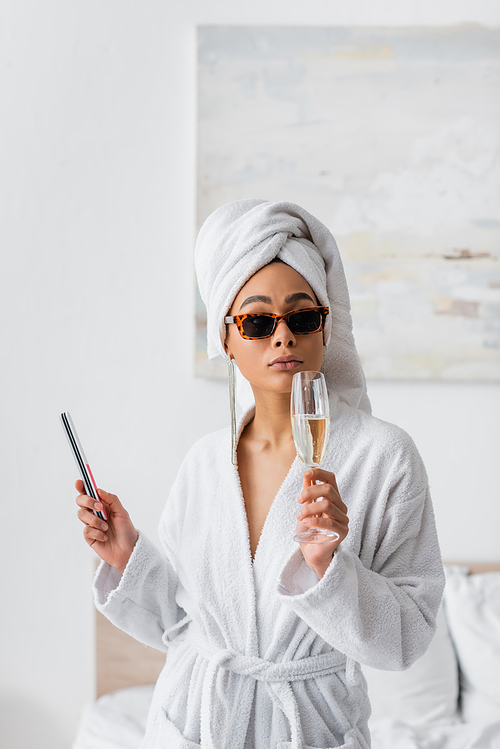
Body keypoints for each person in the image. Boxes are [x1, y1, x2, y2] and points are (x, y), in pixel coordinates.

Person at [76, 199, 445, 749]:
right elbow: (181, 628)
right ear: (225, 339)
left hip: (311, 727)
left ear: (325, 327)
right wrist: (128, 557)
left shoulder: (384, 456)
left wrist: (329, 574)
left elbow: (408, 637)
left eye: (301, 317)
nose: (283, 337)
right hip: (197, 719)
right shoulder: (204, 463)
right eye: (256, 321)